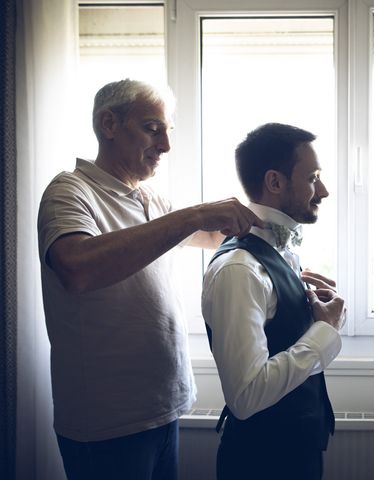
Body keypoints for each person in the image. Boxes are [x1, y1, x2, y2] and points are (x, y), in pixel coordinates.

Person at [37, 79, 264, 480]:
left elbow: (210, 234)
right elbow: (77, 269)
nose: (165, 145)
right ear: (109, 124)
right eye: (152, 128)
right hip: (107, 422)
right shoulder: (70, 192)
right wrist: (193, 215)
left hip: (163, 407)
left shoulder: (151, 197)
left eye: (168, 131)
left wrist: (273, 227)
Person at [201, 123, 345, 480]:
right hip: (261, 462)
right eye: (313, 178)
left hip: (297, 452)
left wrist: (308, 315)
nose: (324, 190)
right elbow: (246, 396)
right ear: (275, 182)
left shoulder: (283, 254)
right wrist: (324, 333)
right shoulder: (239, 270)